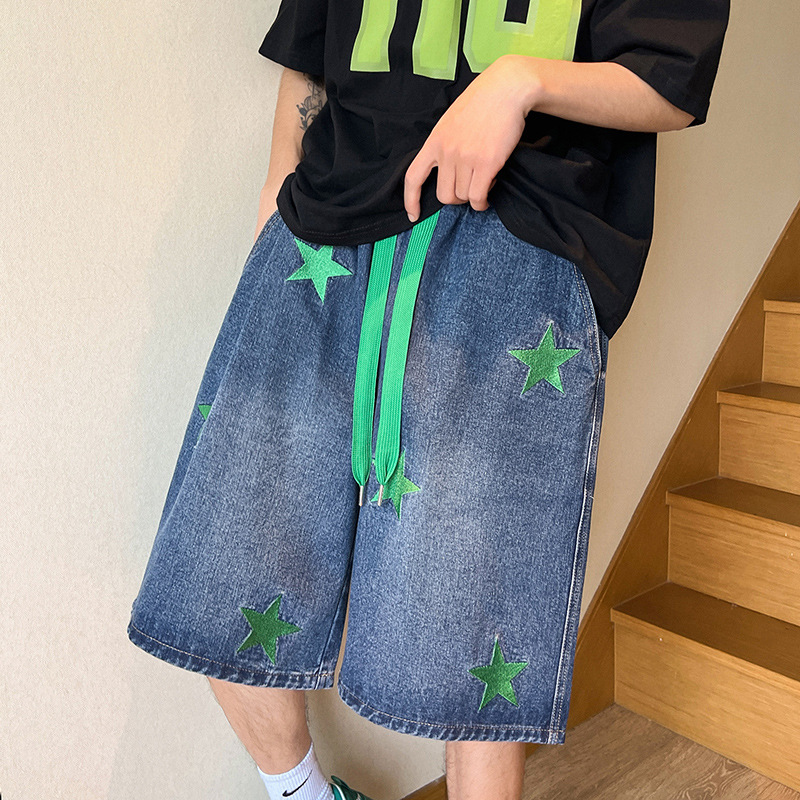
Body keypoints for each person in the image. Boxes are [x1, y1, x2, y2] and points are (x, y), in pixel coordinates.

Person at [127, 0, 729, 798]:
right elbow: (310, 57)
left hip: (509, 250)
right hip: (318, 241)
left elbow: (671, 77)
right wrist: (274, 206)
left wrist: (521, 81)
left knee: (468, 614)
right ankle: (302, 793)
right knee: (223, 560)